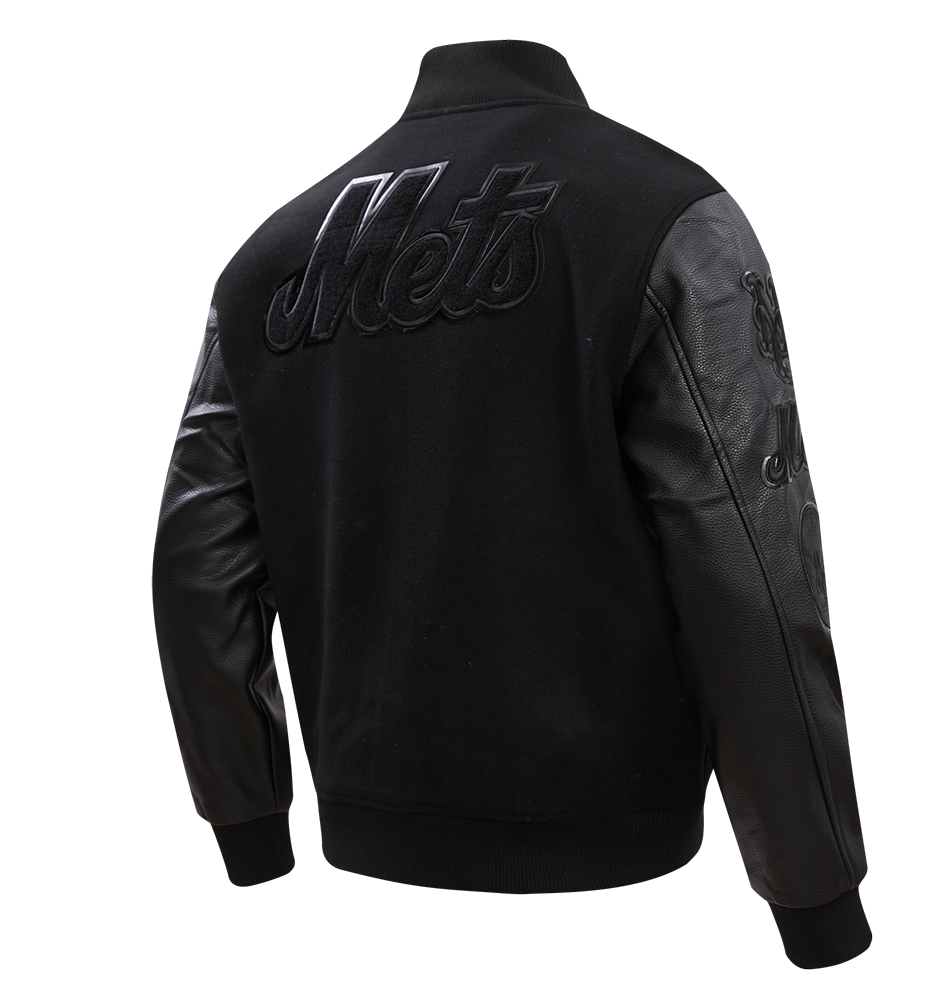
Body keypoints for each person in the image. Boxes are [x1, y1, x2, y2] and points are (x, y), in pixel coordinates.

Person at [152, 38, 872, 969]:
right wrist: (820, 907)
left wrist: (253, 843)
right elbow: (749, 568)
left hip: (351, 871)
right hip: (607, 886)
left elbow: (194, 563)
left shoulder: (266, 261)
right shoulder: (663, 216)